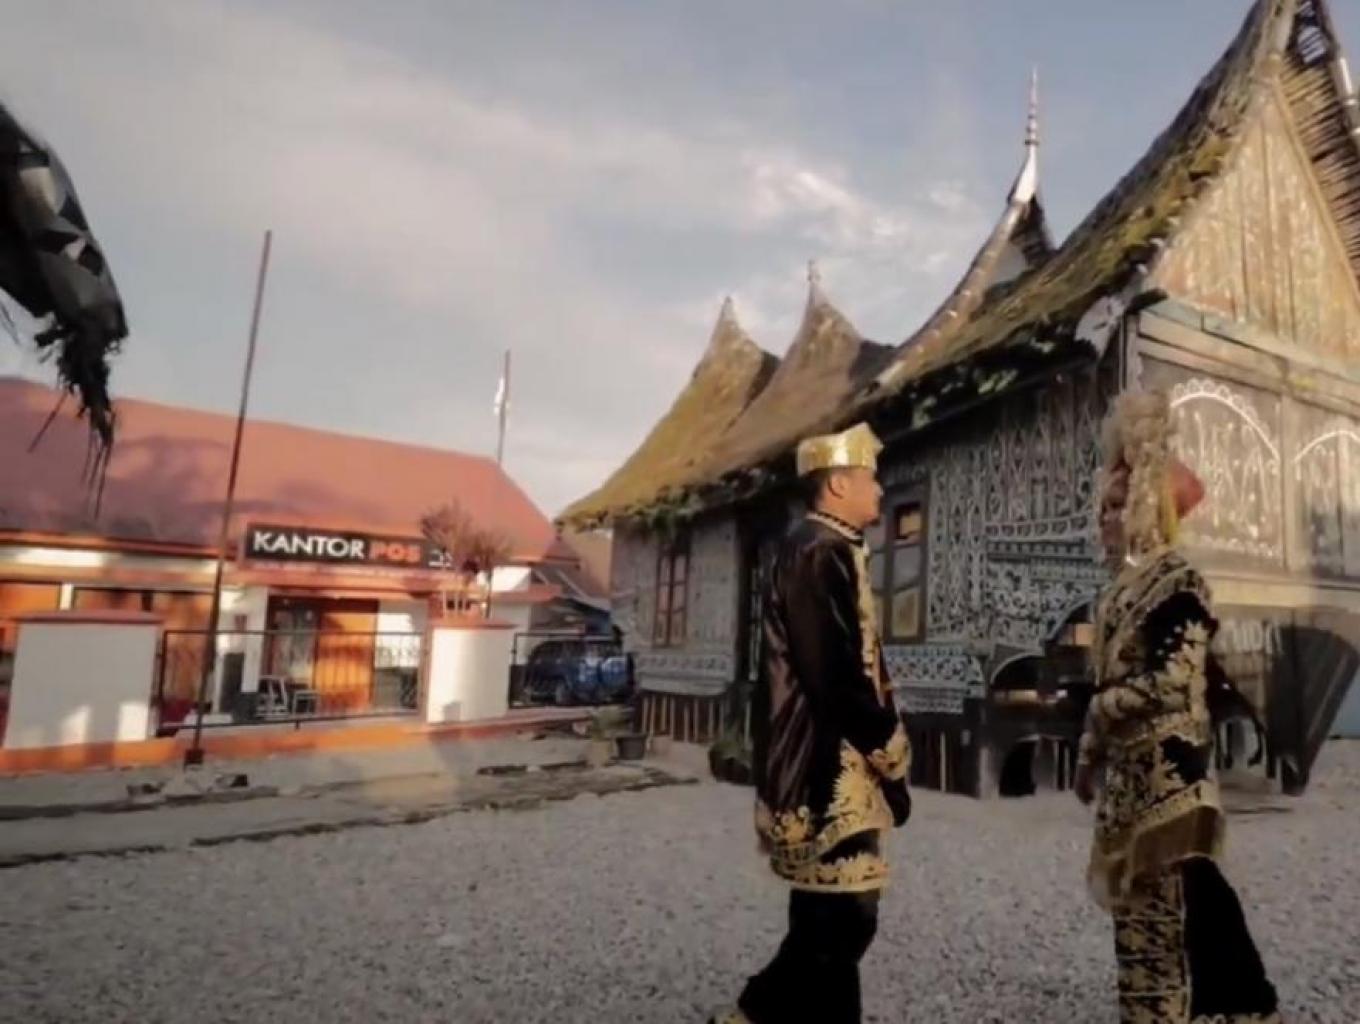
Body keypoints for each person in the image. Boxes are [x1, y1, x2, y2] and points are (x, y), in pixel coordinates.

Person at [1074, 390, 1280, 1024]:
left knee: (1181, 903)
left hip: (1173, 777)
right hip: (1130, 781)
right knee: (1141, 912)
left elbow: (1170, 680)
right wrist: (1091, 754)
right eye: (1104, 507)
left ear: (1146, 509)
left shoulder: (1179, 583)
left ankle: (1231, 1006)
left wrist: (1101, 711)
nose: (1105, 519)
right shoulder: (1118, 593)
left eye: (1117, 507)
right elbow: (1110, 681)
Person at [709, 422, 912, 1024]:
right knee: (841, 920)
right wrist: (888, 749)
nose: (880, 490)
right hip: (825, 764)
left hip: (837, 760)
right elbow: (833, 673)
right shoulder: (817, 552)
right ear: (839, 484)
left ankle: (752, 1016)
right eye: (871, 478)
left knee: (830, 922)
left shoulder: (825, 546)